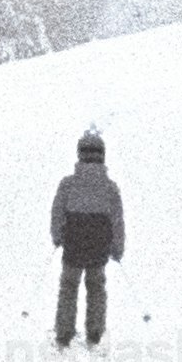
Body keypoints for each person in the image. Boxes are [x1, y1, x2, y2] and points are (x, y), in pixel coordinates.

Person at [48, 130, 125, 348]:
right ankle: (94, 332)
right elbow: (117, 221)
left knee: (69, 287)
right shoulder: (110, 188)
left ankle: (64, 332)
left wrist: (57, 237)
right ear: (103, 155)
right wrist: (117, 248)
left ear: (79, 154)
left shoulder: (68, 184)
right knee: (96, 287)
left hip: (73, 245)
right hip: (98, 247)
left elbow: (57, 213)